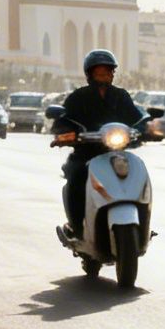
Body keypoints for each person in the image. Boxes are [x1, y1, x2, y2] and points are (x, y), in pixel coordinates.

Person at [51, 49, 147, 239]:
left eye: (108, 72)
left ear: (113, 74)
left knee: (139, 173)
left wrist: (146, 128)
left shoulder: (121, 96)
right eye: (99, 72)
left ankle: (142, 226)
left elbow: (137, 118)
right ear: (89, 74)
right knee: (76, 177)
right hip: (86, 153)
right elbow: (62, 120)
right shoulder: (78, 97)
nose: (104, 76)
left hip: (117, 153)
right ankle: (76, 226)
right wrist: (65, 133)